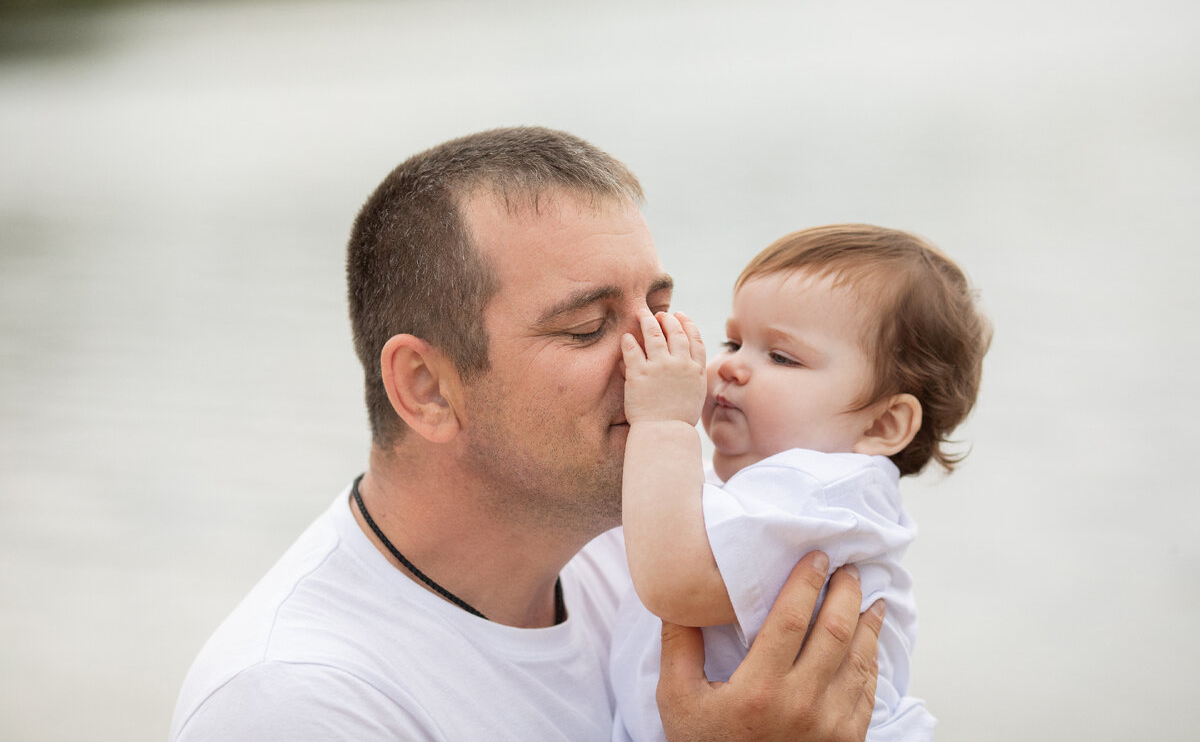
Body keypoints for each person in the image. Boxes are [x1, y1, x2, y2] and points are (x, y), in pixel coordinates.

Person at [169, 128, 884, 742]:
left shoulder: (656, 536)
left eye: (660, 310)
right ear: (427, 388)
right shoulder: (296, 703)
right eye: (588, 327)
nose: (661, 361)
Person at [610, 225, 992, 741]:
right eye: (735, 341)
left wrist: (664, 422)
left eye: (782, 357)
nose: (731, 367)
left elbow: (676, 580)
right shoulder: (794, 494)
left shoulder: (821, 492)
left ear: (882, 426)